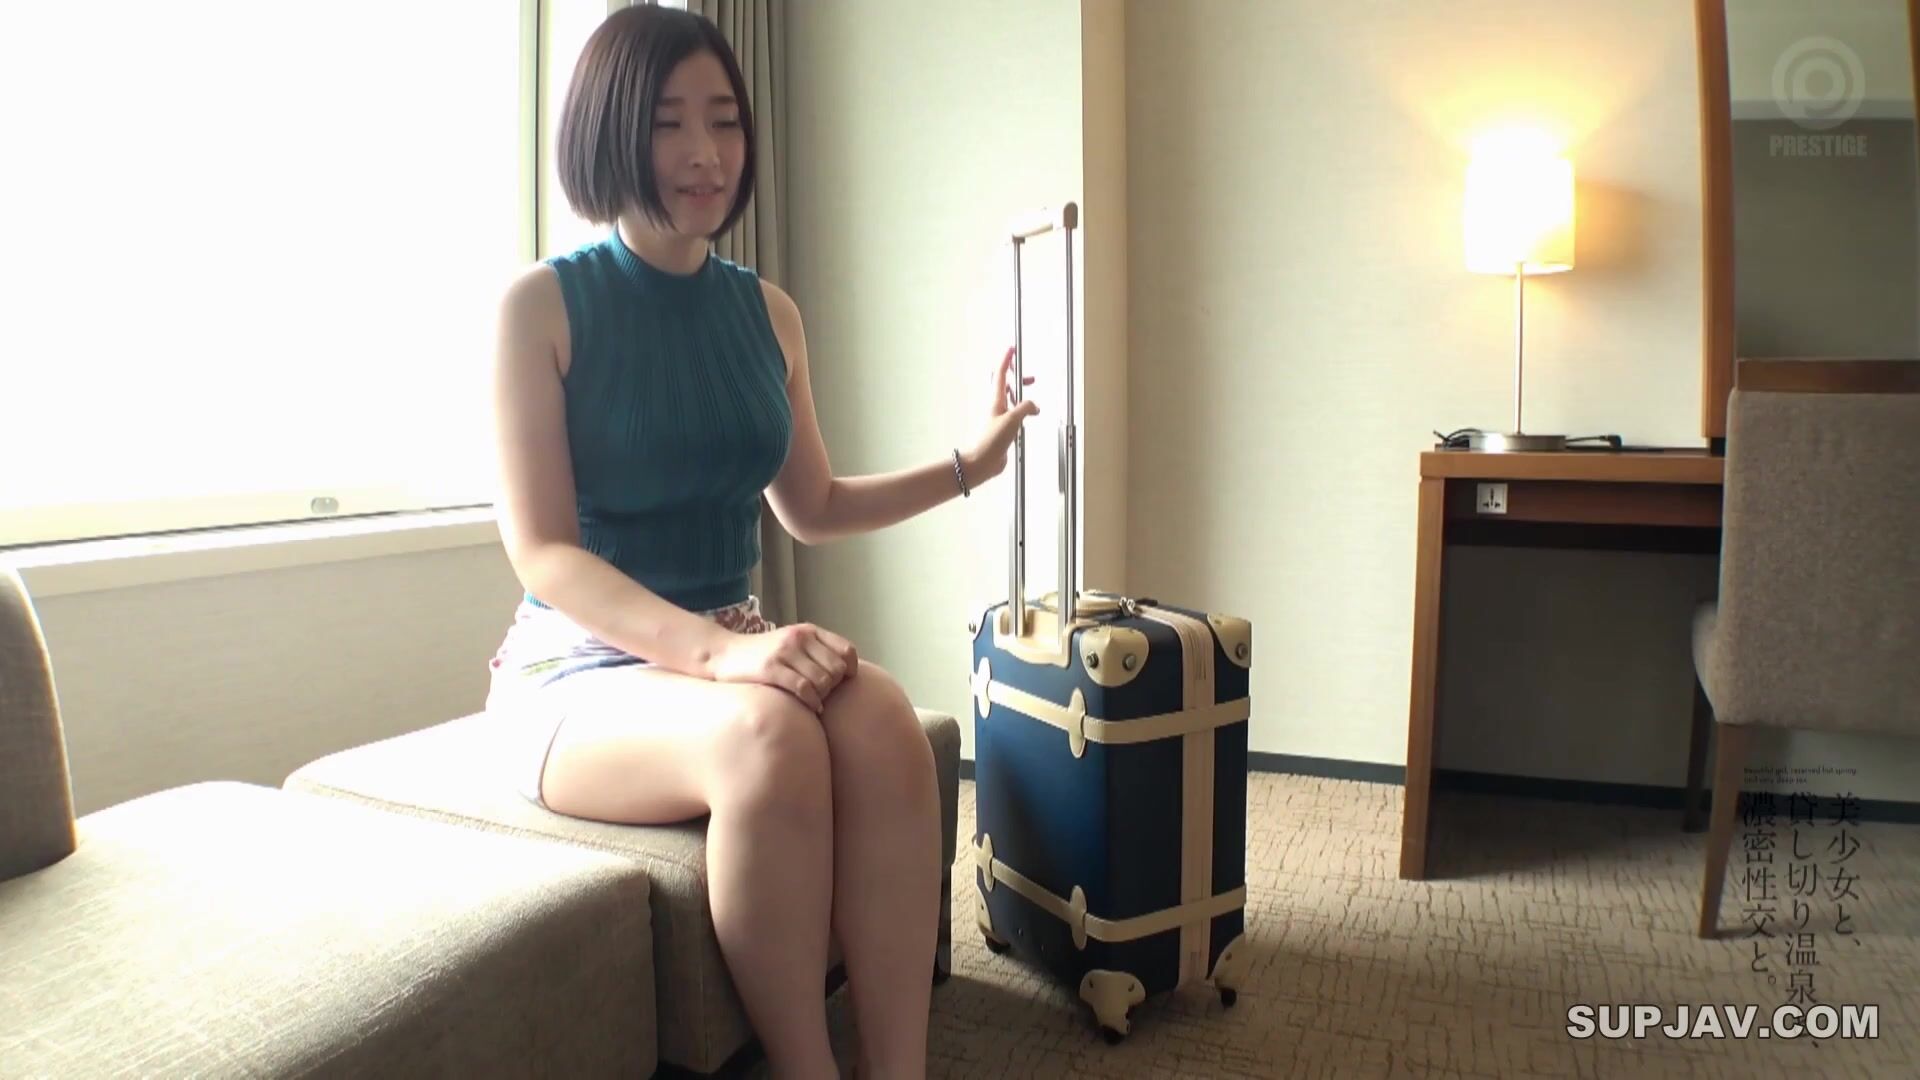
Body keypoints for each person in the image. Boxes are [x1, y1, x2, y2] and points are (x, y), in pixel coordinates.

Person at [483, 7, 1038, 1079]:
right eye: (668, 123)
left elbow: (811, 505)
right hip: (581, 665)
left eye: (725, 121)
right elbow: (544, 552)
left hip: (729, 645)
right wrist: (723, 653)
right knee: (768, 739)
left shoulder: (768, 313)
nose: (705, 152)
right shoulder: (540, 306)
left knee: (882, 721)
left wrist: (969, 465)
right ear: (610, 132)